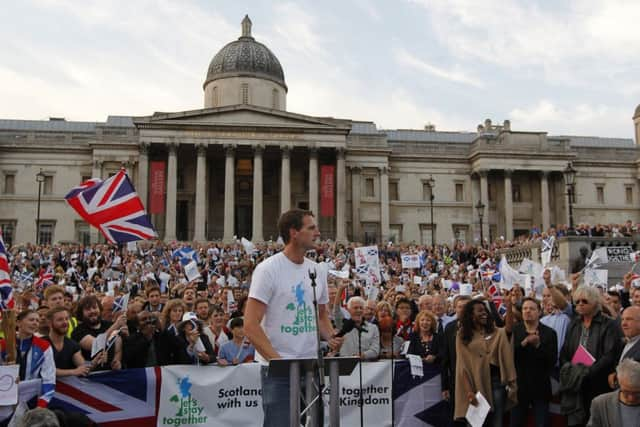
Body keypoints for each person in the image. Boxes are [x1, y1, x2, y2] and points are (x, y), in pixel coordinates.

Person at [244, 209, 342, 427]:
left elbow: (321, 316)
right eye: (311, 228)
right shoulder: (268, 269)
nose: (318, 232)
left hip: (311, 369)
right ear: (294, 232)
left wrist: (332, 335)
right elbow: (250, 325)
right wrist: (278, 362)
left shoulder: (318, 270)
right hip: (278, 372)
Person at [560, 285, 622, 426]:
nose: (580, 304)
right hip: (575, 384)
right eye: (577, 301)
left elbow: (609, 355)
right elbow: (565, 351)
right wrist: (569, 369)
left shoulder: (608, 325)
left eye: (584, 301)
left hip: (597, 384)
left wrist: (587, 372)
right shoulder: (574, 324)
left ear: (595, 303)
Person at [454, 299, 517, 427]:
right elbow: (462, 366)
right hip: (475, 385)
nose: (484, 314)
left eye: (485, 311)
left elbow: (509, 329)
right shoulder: (462, 335)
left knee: (496, 422)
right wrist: (469, 392)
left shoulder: (496, 332)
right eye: (480, 311)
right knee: (475, 424)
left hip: (496, 384)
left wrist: (509, 306)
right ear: (471, 315)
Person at [510, 297, 558, 427]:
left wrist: (538, 346)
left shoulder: (549, 333)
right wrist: (524, 343)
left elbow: (552, 361)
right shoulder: (515, 331)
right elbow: (509, 357)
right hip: (519, 388)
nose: (527, 311)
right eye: (525, 308)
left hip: (540, 388)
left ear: (539, 312)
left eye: (531, 308)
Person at [0, 310, 56, 408]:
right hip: (4, 401)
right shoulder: (3, 345)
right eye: (31, 320)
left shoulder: (44, 346)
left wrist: (40, 406)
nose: (35, 323)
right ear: (18, 322)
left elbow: (49, 379)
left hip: (31, 402)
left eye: (37, 321)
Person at [71, 295, 126, 371]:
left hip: (111, 375)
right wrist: (116, 325)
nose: (92, 311)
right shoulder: (78, 331)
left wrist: (117, 362)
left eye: (94, 307)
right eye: (88, 309)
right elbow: (96, 345)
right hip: (90, 377)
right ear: (81, 313)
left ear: (100, 309)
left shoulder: (109, 325)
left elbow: (118, 348)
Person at [587, 358, 640, 427]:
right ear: (618, 382)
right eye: (626, 392)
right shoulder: (600, 404)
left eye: (637, 393)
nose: (631, 398)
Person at [45, 307, 90, 377]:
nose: (65, 322)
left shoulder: (73, 345)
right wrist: (73, 372)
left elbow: (83, 367)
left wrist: (95, 362)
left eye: (66, 319)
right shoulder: (40, 344)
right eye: (60, 320)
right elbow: (46, 370)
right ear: (49, 323)